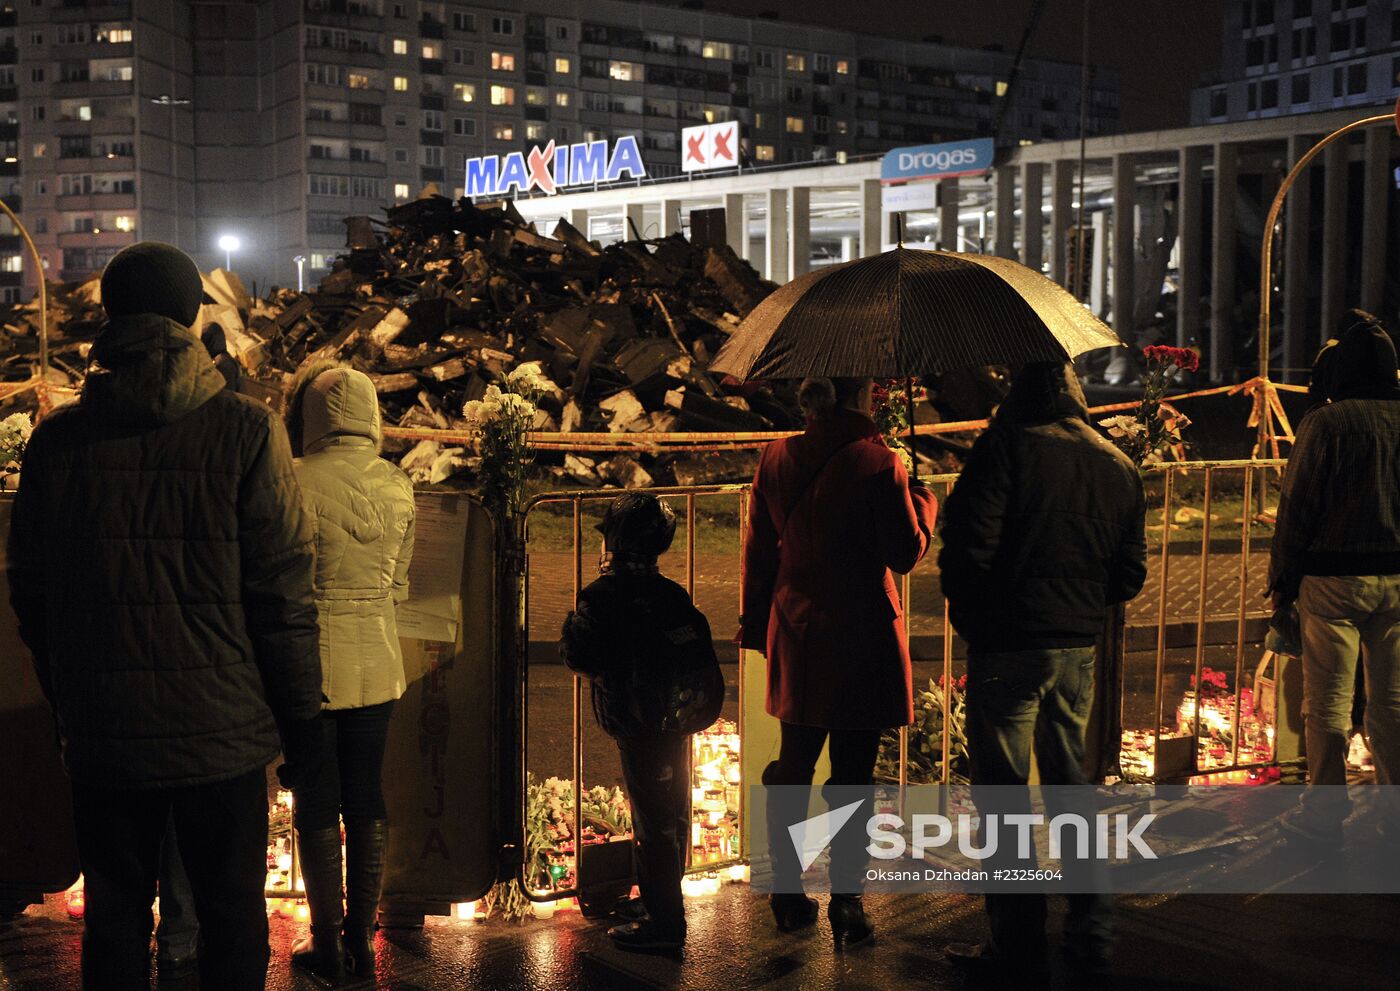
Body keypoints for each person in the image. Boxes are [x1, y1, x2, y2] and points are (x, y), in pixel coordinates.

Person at [6, 240, 324, 991]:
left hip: (106, 733)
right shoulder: (247, 431)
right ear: (192, 315)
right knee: (231, 918)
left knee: (115, 919)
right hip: (226, 738)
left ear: (111, 316)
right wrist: (302, 724)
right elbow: (283, 596)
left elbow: (31, 592)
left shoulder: (58, 443)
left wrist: (72, 693)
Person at [938, 361, 1146, 981]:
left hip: (1007, 643)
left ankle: (1017, 943)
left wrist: (976, 621)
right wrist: (1080, 608)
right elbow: (1128, 575)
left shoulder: (1005, 448)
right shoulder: (1116, 464)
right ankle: (1092, 933)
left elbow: (969, 547)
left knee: (1003, 800)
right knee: (1071, 794)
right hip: (1076, 645)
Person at [740, 377, 938, 948]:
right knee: (852, 774)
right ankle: (847, 902)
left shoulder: (776, 456)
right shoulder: (880, 463)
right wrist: (924, 503)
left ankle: (785, 890)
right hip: (861, 633)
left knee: (792, 767)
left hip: (796, 628)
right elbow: (903, 552)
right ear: (861, 397)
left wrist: (758, 627)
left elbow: (759, 551)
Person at [281, 362, 416, 979]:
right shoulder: (397, 483)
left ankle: (326, 939)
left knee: (315, 800)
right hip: (379, 662)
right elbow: (400, 582)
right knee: (366, 797)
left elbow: (281, 577)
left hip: (312, 663)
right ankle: (364, 937)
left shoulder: (292, 480)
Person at [560, 493, 720, 956]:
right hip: (679, 718)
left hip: (636, 721)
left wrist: (574, 622)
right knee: (673, 811)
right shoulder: (672, 593)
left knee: (652, 817)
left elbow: (580, 655)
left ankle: (664, 920)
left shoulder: (603, 595)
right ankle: (661, 898)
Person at [1270, 314, 1400, 845]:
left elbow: (1296, 506)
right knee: (1392, 699)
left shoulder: (1328, 423)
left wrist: (1282, 580)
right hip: (1396, 576)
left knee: (1327, 698)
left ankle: (1323, 812)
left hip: (1332, 580)